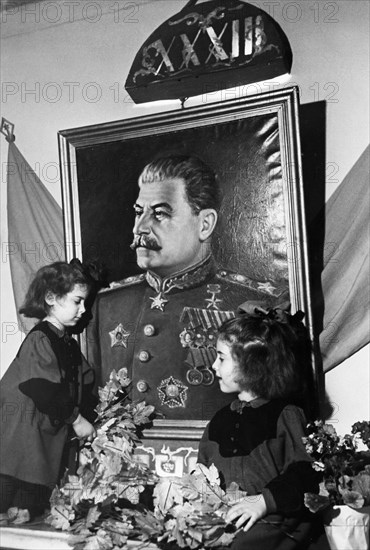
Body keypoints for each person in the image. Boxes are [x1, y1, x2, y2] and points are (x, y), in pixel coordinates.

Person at [86, 155, 288, 421]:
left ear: (204, 224)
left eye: (159, 213)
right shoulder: (108, 303)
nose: (140, 228)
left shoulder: (256, 302)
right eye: (139, 212)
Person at [197, 311, 320, 550]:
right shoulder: (219, 420)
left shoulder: (286, 414)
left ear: (252, 365)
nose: (213, 366)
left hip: (274, 519)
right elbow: (201, 470)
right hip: (228, 515)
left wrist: (265, 502)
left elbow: (305, 470)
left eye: (221, 358)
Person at [0, 261, 97, 518]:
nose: (84, 310)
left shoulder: (67, 342)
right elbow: (41, 387)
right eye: (78, 301)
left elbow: (84, 378)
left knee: (29, 487)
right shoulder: (41, 337)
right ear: (51, 298)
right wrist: (76, 418)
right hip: (23, 425)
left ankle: (19, 511)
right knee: (16, 473)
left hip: (39, 426)